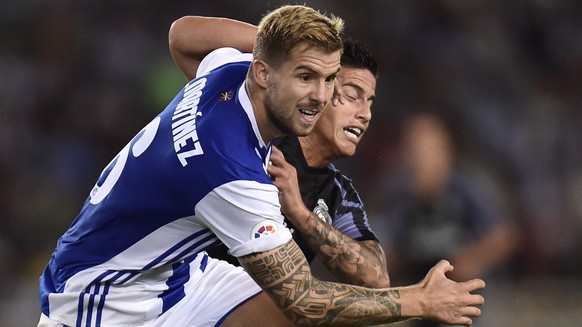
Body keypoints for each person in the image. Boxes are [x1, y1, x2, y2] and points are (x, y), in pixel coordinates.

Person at [38, 5, 484, 327]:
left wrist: (285, 44)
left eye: (330, 80)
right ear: (265, 73)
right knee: (306, 310)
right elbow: (304, 299)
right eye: (305, 76)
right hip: (104, 304)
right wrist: (419, 301)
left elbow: (182, 34)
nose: (321, 97)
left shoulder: (227, 69)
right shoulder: (232, 172)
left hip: (178, 277)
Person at [203, 39, 391, 289]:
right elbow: (182, 36)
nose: (365, 114)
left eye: (370, 102)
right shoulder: (263, 135)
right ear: (321, 91)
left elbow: (377, 280)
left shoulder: (339, 194)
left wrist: (301, 214)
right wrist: (287, 48)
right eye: (352, 95)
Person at [373, 112, 518, 327]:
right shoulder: (400, 197)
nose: (422, 160)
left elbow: (503, 235)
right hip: (423, 304)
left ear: (446, 152)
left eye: (428, 151)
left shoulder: (465, 190)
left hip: (465, 303)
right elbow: (389, 249)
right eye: (415, 151)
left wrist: (472, 259)